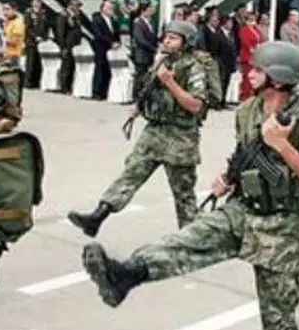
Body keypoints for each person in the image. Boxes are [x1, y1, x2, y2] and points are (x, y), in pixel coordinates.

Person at [80, 41, 299, 330]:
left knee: (278, 322)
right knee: (190, 238)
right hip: (243, 210)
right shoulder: (248, 110)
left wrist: (282, 145)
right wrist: (227, 179)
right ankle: (127, 275)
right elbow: (246, 155)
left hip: (286, 229)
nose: (250, 72)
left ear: (278, 77)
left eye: (259, 69)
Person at [68, 21, 207, 232]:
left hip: (181, 137)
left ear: (186, 43)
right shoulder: (161, 62)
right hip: (154, 132)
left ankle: (190, 238)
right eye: (166, 37)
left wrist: (170, 82)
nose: (167, 41)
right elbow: (150, 89)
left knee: (183, 193)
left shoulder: (194, 68)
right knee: (130, 173)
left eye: (174, 38)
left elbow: (196, 105)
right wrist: (139, 108)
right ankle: (97, 216)